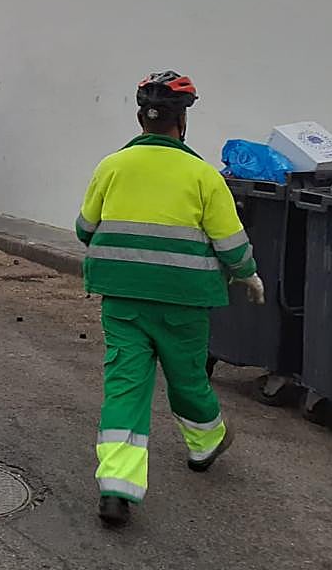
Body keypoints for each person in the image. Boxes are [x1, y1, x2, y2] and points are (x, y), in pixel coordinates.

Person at [76, 71, 265, 528]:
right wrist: (248, 275)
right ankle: (205, 444)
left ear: (142, 119)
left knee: (125, 386)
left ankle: (117, 487)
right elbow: (231, 245)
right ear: (182, 123)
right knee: (187, 381)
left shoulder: (111, 166)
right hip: (184, 301)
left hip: (123, 299)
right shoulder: (202, 174)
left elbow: (85, 228)